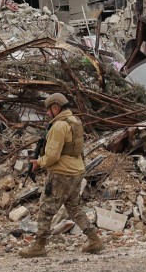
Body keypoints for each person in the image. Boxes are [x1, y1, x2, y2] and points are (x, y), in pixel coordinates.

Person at [18, 93, 104, 257]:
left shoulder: (58, 126)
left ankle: (39, 246)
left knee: (46, 208)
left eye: (49, 110)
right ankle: (94, 240)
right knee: (73, 207)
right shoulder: (74, 121)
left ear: (56, 108)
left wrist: (39, 162)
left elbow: (52, 156)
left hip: (61, 173)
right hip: (77, 170)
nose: (48, 113)